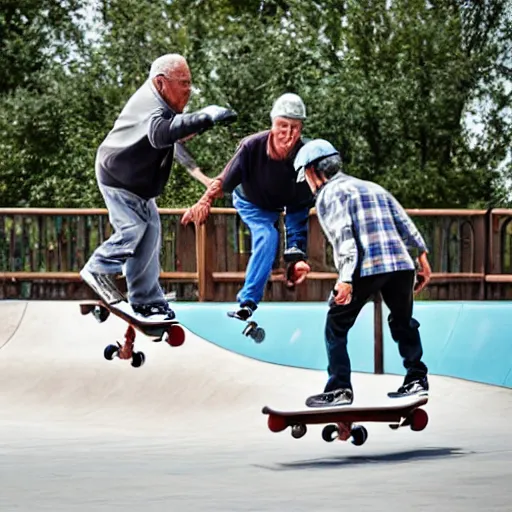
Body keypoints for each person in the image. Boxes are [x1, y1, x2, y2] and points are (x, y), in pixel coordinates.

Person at [80, 53, 237, 320]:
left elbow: (176, 136)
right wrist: (205, 116)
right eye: (184, 83)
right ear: (162, 82)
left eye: (190, 84)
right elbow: (161, 133)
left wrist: (203, 125)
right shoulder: (150, 105)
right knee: (133, 228)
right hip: (118, 177)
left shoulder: (164, 107)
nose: (189, 90)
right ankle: (98, 267)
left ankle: (145, 299)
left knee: (151, 233)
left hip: (138, 184)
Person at [291, 138, 432, 407]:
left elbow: (344, 236)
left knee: (336, 324)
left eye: (305, 177)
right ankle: (416, 379)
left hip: (367, 266)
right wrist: (422, 257)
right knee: (403, 321)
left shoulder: (329, 194)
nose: (307, 185)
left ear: (313, 171)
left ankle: (340, 388)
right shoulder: (372, 186)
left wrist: (345, 279)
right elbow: (403, 221)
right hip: (401, 265)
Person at [181, 93, 314, 319]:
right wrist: (204, 201)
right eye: (283, 126)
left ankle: (293, 269)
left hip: (286, 204)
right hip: (252, 203)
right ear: (273, 125)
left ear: (301, 129)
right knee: (267, 236)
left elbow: (299, 210)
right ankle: (247, 302)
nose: (288, 135)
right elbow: (222, 181)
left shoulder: (306, 155)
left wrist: (297, 255)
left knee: (295, 252)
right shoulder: (251, 146)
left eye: (295, 127)